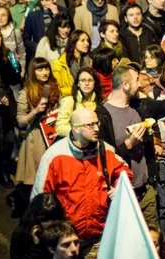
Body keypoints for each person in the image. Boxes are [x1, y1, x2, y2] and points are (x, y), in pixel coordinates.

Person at [95, 62, 165, 225]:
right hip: (121, 191)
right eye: (136, 81)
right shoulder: (102, 116)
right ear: (125, 85)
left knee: (153, 240)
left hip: (146, 189)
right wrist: (128, 144)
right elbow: (103, 158)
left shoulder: (141, 106)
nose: (140, 84)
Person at [32, 108, 133, 255]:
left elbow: (125, 172)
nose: (97, 129)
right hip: (66, 241)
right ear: (76, 128)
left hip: (98, 238)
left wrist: (119, 188)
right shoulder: (54, 157)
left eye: (97, 124)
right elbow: (40, 200)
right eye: (90, 125)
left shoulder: (105, 150)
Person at [15, 58, 62, 188]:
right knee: (38, 178)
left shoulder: (55, 87)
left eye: (46, 69)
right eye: (40, 69)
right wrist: (35, 111)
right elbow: (20, 121)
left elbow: (62, 107)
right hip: (36, 137)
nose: (44, 72)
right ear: (33, 72)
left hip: (54, 133)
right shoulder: (26, 93)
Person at [9, 192, 66, 259]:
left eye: (55, 218)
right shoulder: (21, 234)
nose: (50, 223)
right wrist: (36, 246)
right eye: (45, 219)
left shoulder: (65, 232)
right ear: (35, 217)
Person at [55, 68, 102, 137]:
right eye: (83, 80)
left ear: (95, 83)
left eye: (90, 80)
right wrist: (81, 131)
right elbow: (60, 128)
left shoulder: (101, 102)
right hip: (76, 141)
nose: (86, 83)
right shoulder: (69, 101)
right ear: (78, 84)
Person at [52, 30, 91, 97]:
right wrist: (76, 90)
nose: (87, 43)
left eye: (87, 41)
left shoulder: (90, 61)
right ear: (73, 42)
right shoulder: (60, 64)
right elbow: (56, 89)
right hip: (68, 99)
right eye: (82, 40)